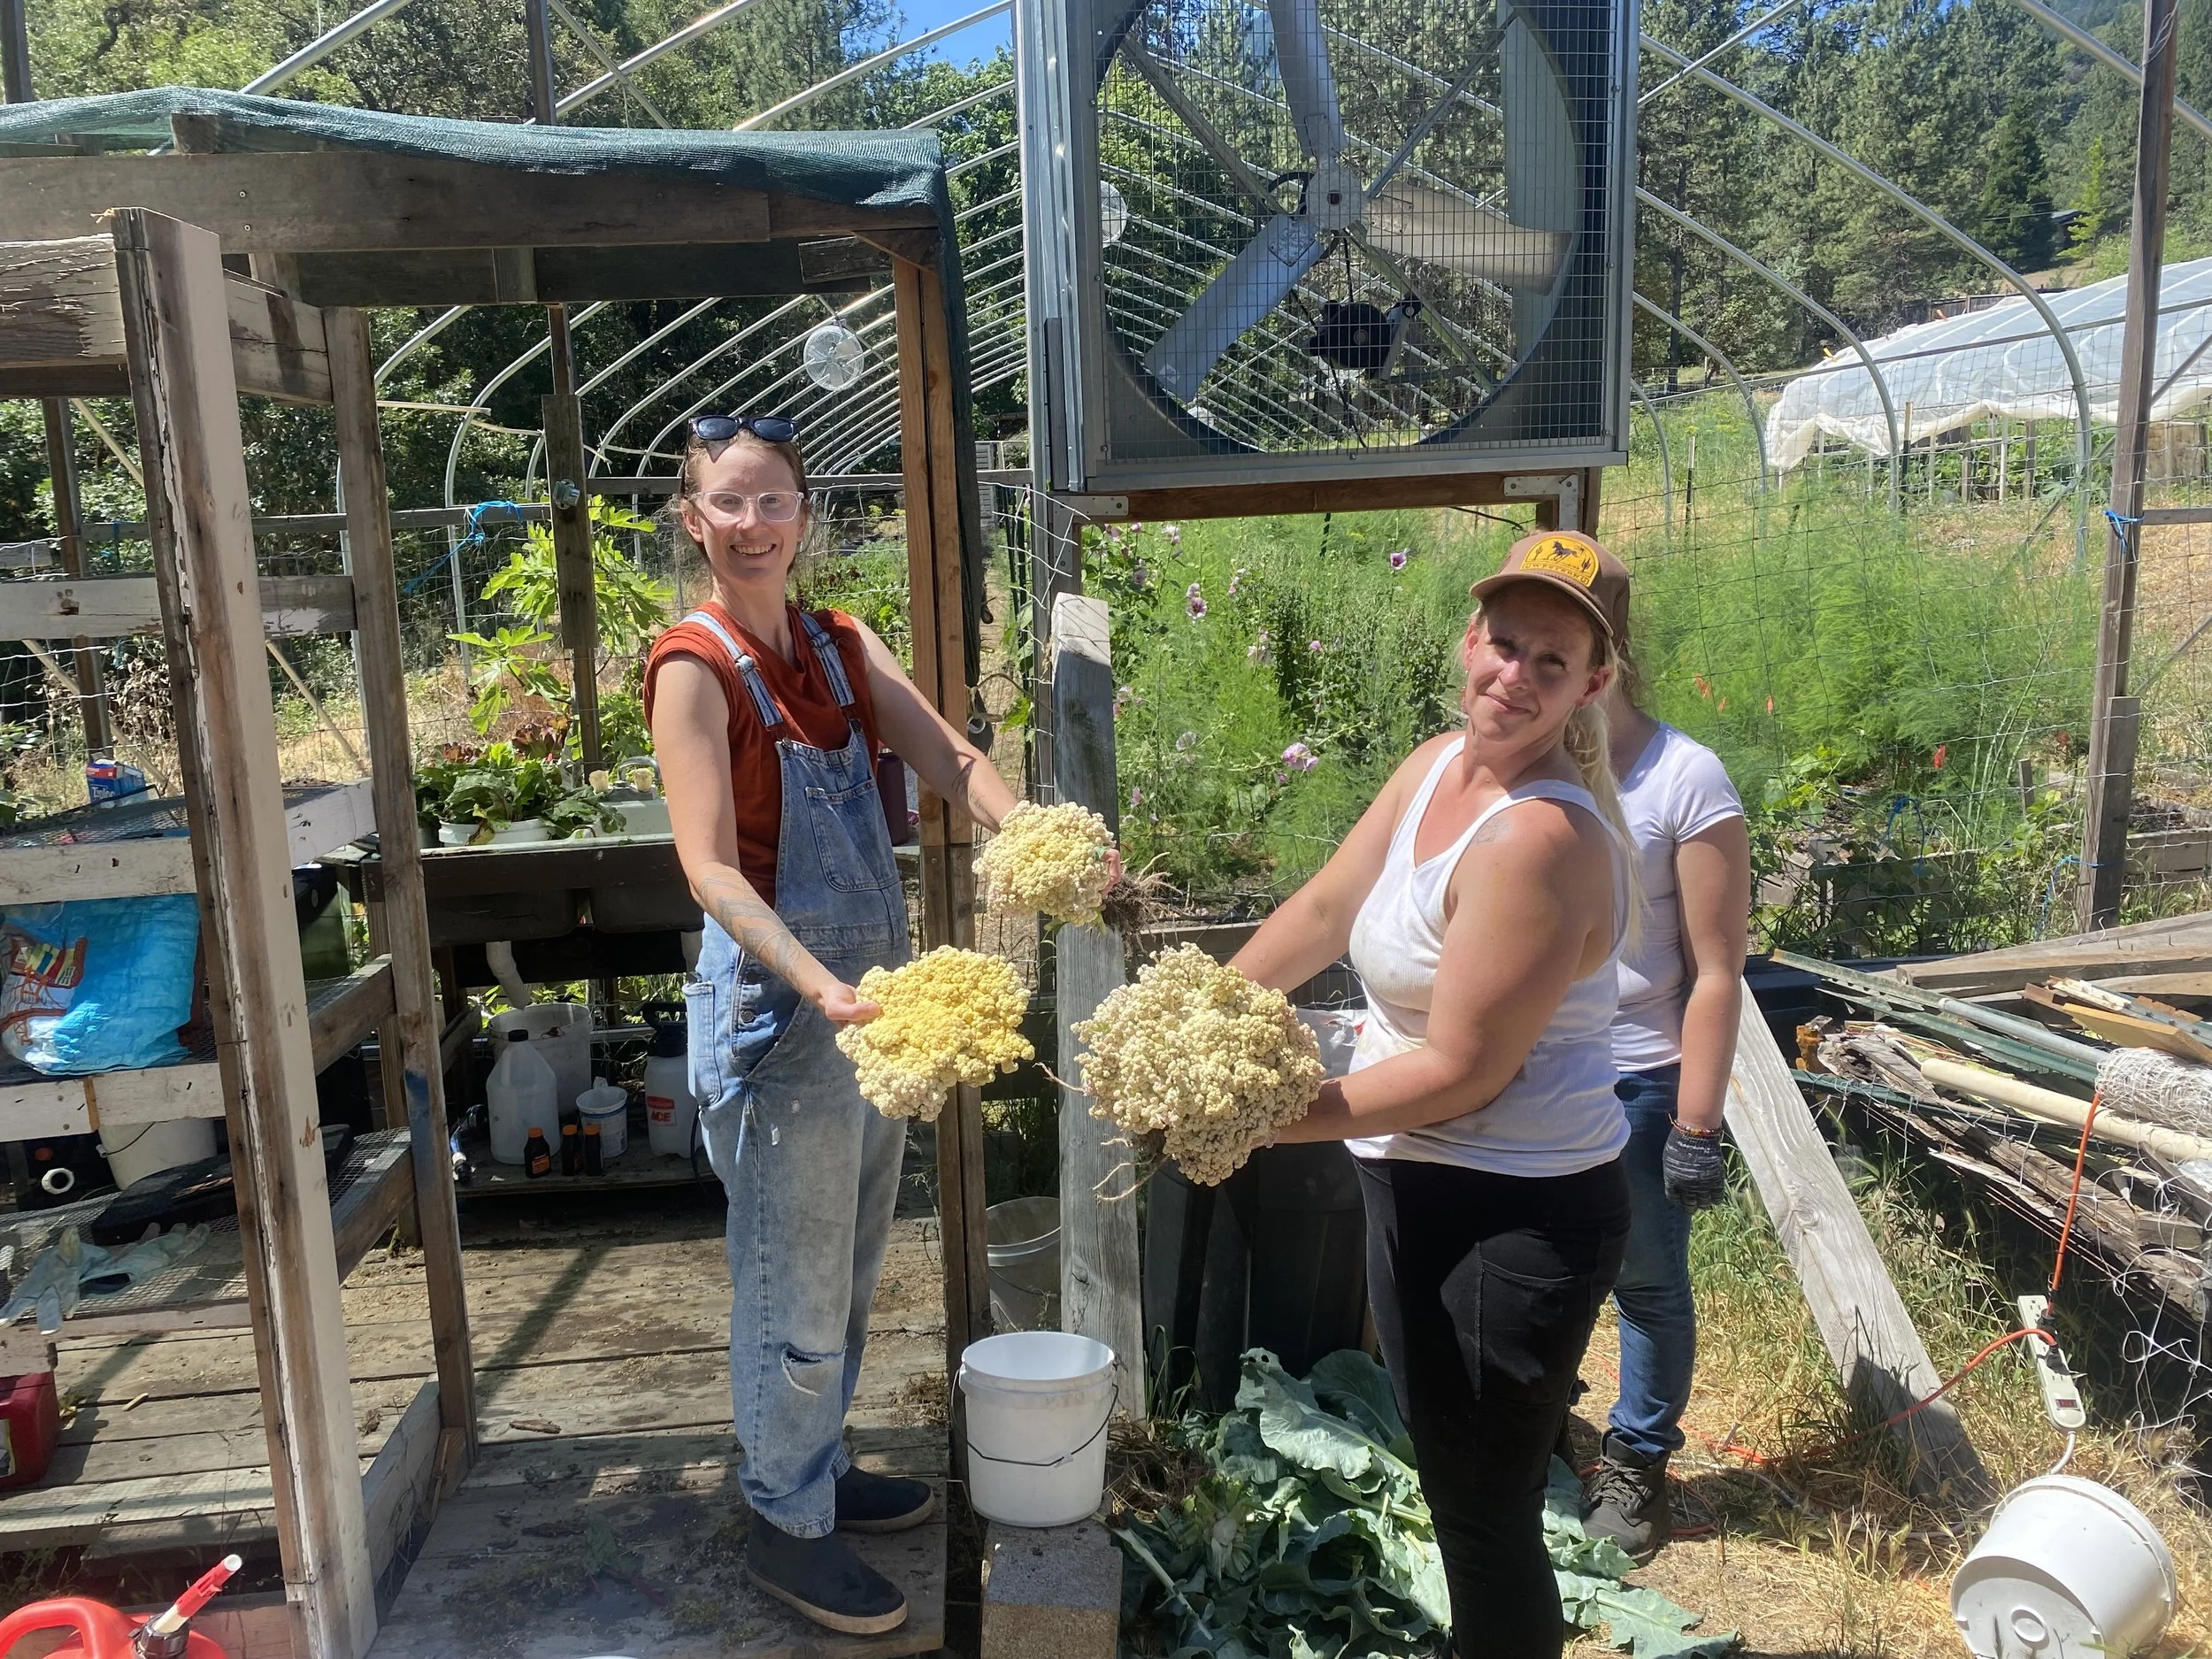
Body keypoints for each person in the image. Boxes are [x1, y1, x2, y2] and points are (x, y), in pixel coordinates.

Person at [1229, 529, 1640, 1659]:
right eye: (1502, 645)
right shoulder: (1431, 767)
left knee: (1483, 1512)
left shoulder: (1541, 840)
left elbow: (1464, 1073)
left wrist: (1248, 1117)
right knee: (1455, 1473)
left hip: (1513, 1214)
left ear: (1592, 684)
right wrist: (1194, 1014)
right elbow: (1321, 912)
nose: (1513, 676)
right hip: (1415, 1180)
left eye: (1549, 663)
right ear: (1468, 640)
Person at [645, 414, 1022, 1635]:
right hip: (779, 1015)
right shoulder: (693, 665)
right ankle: (782, 1522)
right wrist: (816, 979)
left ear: (806, 513)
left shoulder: (842, 644)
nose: (754, 526)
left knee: (849, 1275)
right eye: (729, 505)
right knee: (790, 1289)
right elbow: (709, 868)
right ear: (694, 520)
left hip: (871, 1010)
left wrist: (1040, 838)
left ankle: (819, 1467)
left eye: (775, 502)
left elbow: (954, 758)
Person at [1578, 670, 1751, 1561]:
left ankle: (1637, 1464)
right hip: (1527, 1072)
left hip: (1636, 1079)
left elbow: (1716, 967)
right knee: (1538, 1268)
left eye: (1553, 649)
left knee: (1642, 1281)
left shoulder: (1684, 778)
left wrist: (1695, 1124)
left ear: (1600, 658)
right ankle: (1537, 1432)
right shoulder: (1517, 761)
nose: (1526, 671)